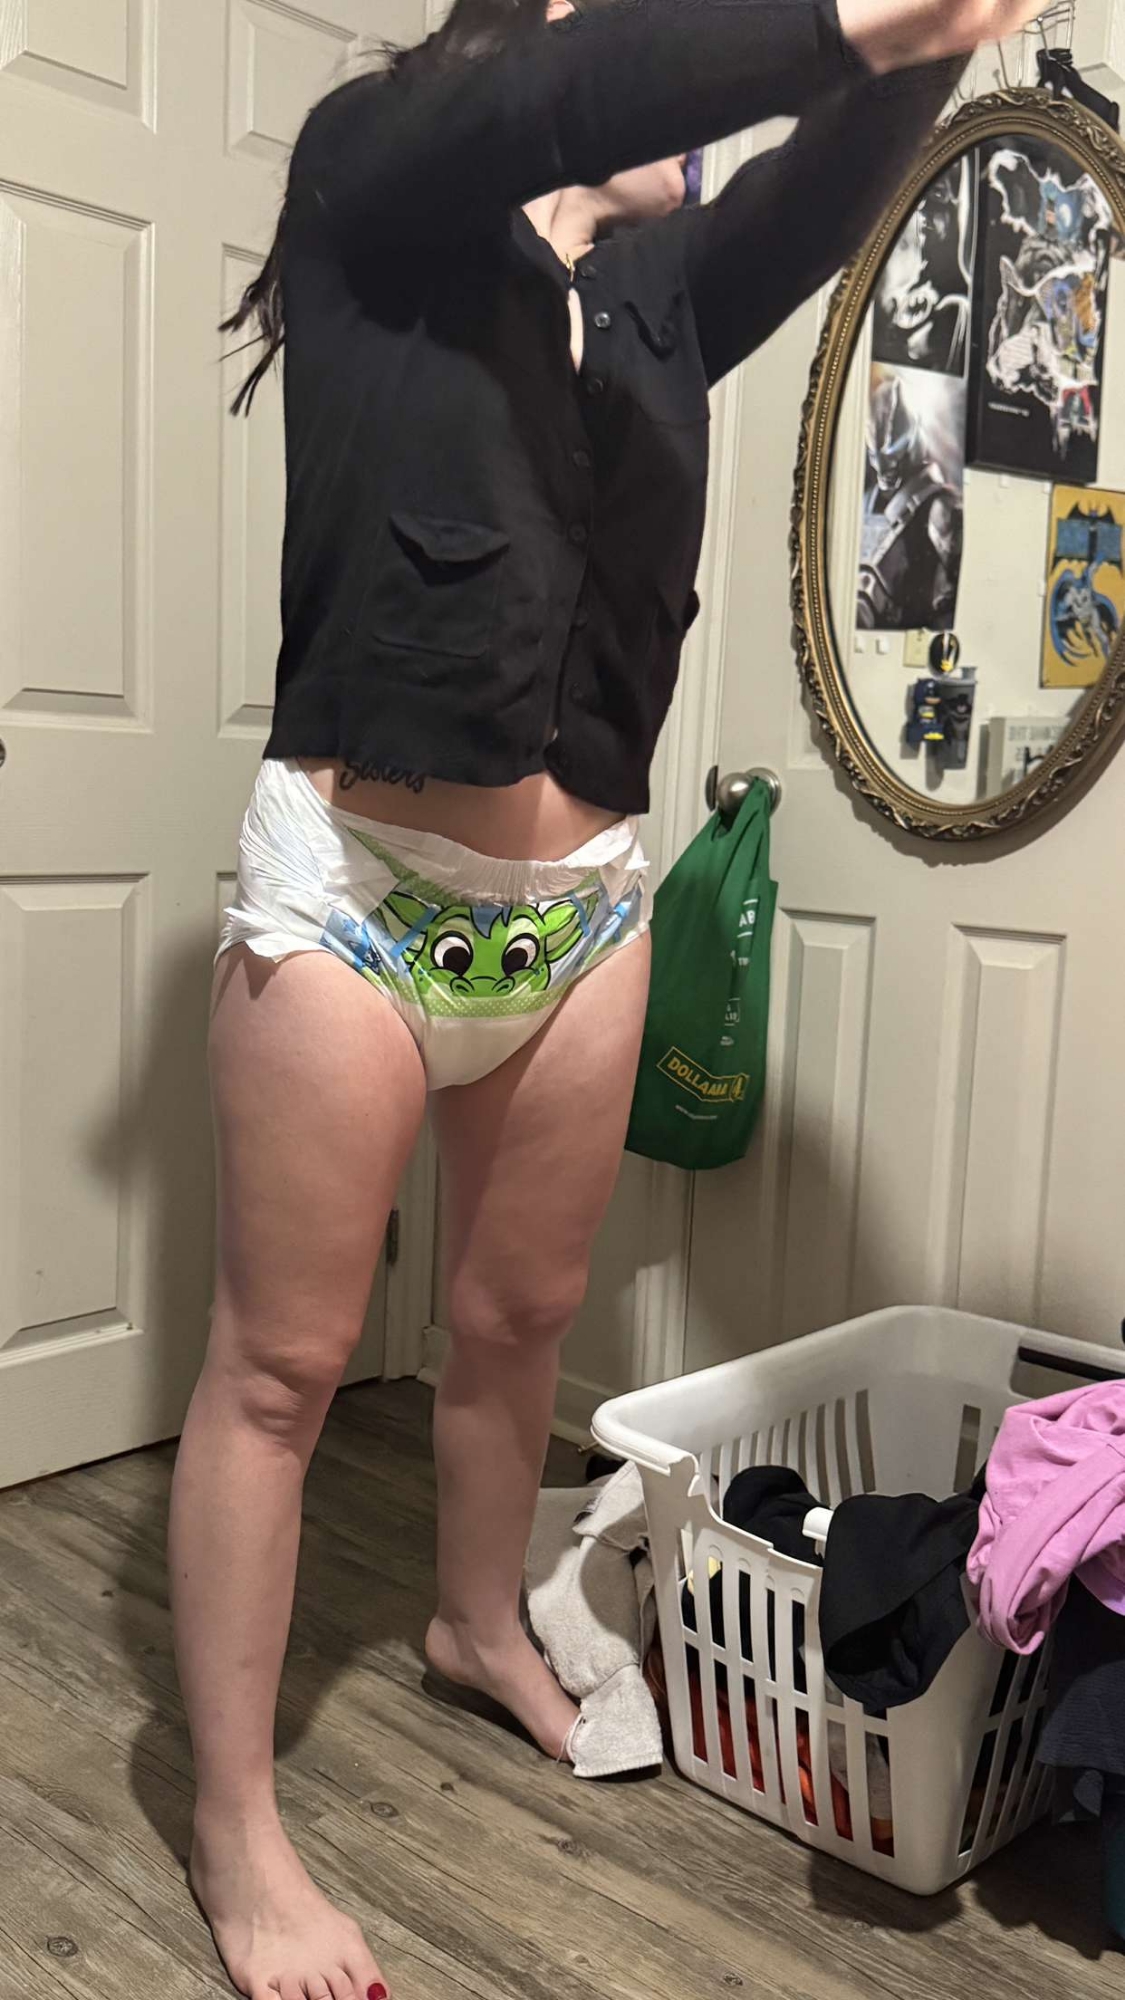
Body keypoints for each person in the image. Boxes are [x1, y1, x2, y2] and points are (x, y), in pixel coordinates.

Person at [169, 3, 1051, 1995]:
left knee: (515, 1320)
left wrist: (946, 32)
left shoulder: (662, 292)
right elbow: (587, 89)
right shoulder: (379, 176)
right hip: (360, 894)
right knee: (281, 1371)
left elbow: (832, 163)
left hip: (579, 904)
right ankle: (232, 1824)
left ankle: (475, 1622)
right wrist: (843, 17)